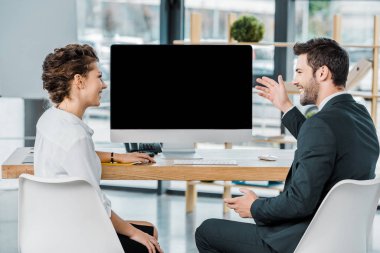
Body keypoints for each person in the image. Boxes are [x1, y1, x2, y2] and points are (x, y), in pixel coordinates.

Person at [195, 37, 379, 253]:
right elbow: (323, 142)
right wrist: (285, 106)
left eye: (300, 72)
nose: (296, 81)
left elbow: (299, 203)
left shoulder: (321, 125)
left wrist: (255, 207)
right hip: (343, 238)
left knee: (207, 231)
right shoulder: (361, 116)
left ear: (322, 73)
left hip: (302, 240)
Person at [34, 44, 163, 253]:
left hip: (51, 226)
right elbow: (97, 207)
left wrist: (116, 157)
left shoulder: (50, 119)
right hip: (77, 236)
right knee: (148, 238)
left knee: (149, 230)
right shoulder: (76, 136)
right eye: (99, 77)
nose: (103, 85)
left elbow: (72, 155)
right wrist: (133, 233)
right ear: (79, 80)